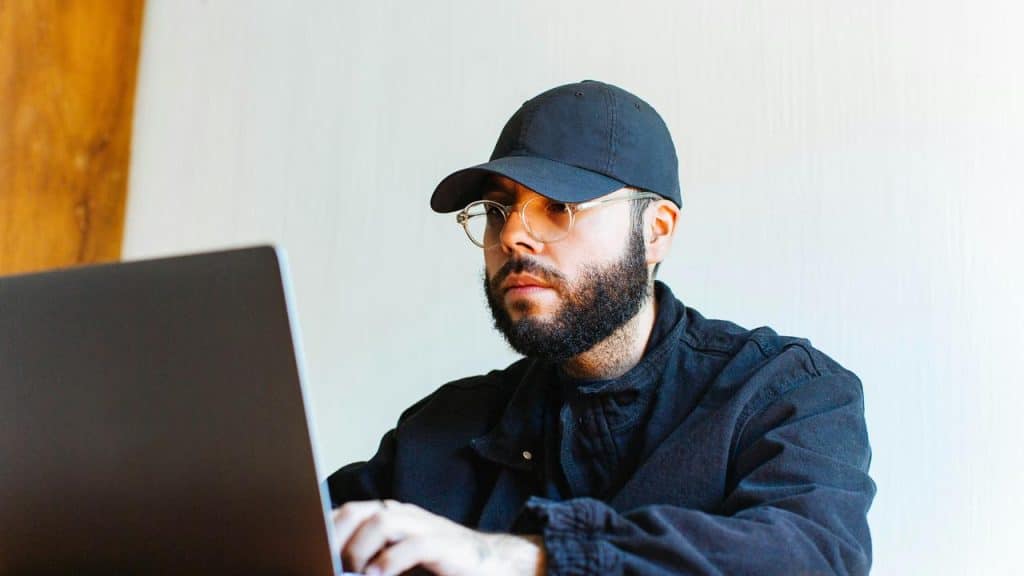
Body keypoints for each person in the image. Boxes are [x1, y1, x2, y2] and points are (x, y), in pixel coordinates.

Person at [326, 80, 875, 575]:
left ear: (655, 231)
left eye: (557, 207)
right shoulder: (440, 432)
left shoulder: (784, 393)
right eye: (497, 210)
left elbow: (811, 555)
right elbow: (289, 535)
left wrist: (524, 558)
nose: (513, 236)